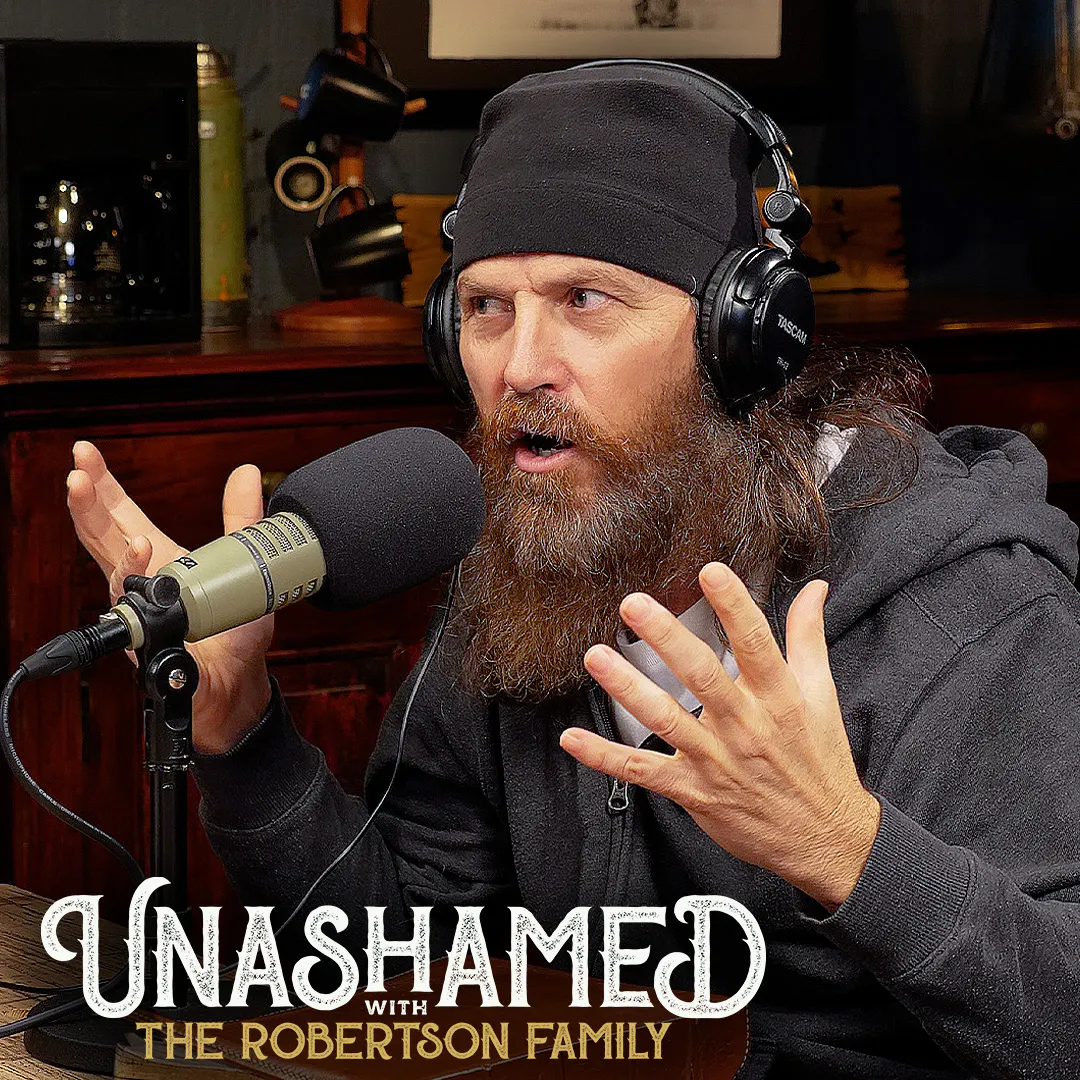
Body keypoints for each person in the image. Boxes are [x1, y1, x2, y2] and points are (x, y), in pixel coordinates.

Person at [66, 64, 1080, 1078]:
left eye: (585, 299)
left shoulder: (973, 612)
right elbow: (407, 969)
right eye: (486, 307)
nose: (518, 367)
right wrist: (241, 731)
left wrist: (847, 849)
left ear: (739, 341)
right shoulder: (522, 571)